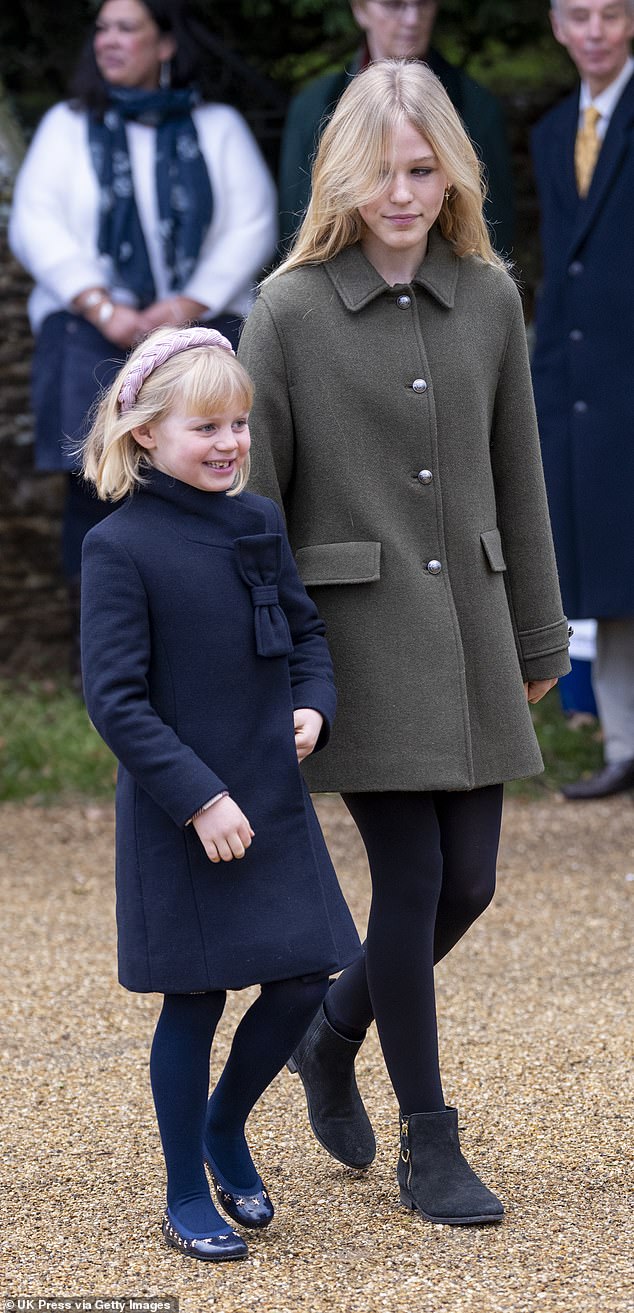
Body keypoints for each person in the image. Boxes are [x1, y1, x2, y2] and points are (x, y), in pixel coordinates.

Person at [239, 59, 570, 1228]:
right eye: (380, 171)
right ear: (341, 173)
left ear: (451, 173)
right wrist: (276, 660)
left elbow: (517, 476)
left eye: (423, 169)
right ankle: (432, 1141)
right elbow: (256, 508)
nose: (401, 193)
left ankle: (332, 1033)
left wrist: (539, 628)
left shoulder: (487, 295)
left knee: (469, 878)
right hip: (355, 644)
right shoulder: (284, 312)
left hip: (475, 631)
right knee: (415, 872)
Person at [79, 325, 361, 1261]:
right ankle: (180, 1189)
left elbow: (309, 633)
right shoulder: (119, 547)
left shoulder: (259, 521)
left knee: (304, 976)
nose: (230, 442)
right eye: (206, 426)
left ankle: (224, 1125)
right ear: (146, 434)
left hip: (271, 793)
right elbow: (114, 700)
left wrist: (313, 705)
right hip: (181, 811)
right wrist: (199, 798)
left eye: (239, 423)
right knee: (194, 999)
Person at [9, 0, 276, 681]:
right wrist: (101, 305)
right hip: (89, 331)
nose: (109, 40)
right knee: (93, 487)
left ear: (165, 43)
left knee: (221, 478)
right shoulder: (68, 128)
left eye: (128, 27)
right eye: (100, 27)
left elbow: (253, 221)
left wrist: (180, 309)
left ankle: (220, 652)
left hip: (203, 333)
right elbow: (34, 222)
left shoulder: (214, 127)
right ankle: (105, 665)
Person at [531, 0, 634, 799]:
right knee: (607, 570)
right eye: (579, 15)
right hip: (582, 387)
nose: (595, 31)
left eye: (612, 13)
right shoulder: (551, 132)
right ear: (559, 28)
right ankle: (624, 743)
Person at [278, 0, 514, 254]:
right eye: (393, 5)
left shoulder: (475, 106)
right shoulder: (314, 107)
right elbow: (297, 222)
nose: (412, 19)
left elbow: (492, 226)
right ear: (360, 10)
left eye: (423, 4)